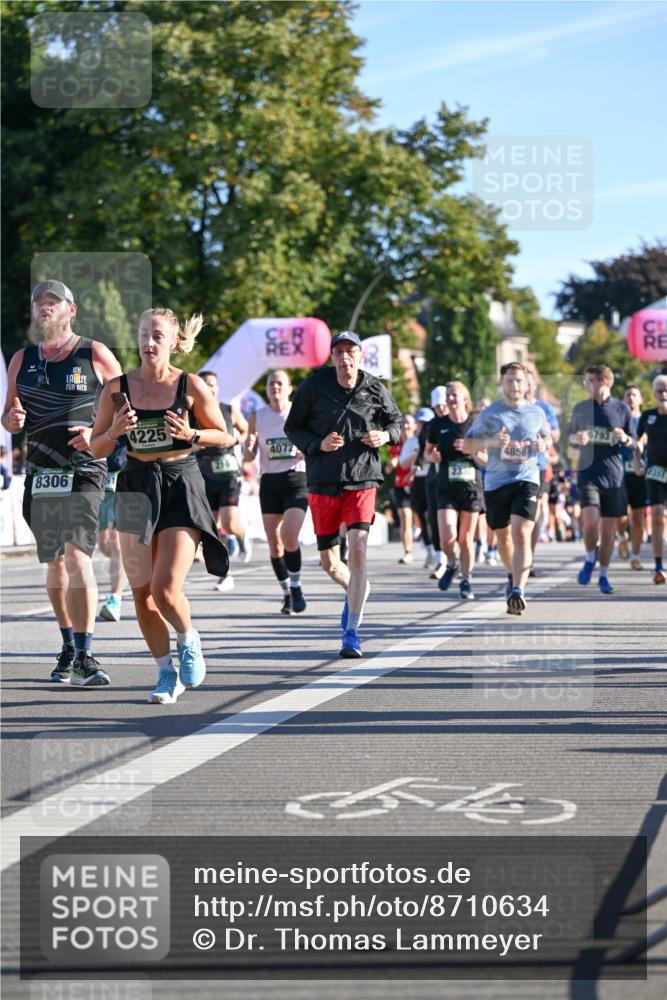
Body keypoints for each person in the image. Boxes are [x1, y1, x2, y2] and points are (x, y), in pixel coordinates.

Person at [89, 307, 233, 704]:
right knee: (141, 594)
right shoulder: (117, 388)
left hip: (179, 484)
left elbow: (224, 435)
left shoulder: (190, 385)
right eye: (143, 335)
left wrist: (192, 434)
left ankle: (188, 639)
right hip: (136, 486)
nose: (148, 343)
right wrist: (114, 432)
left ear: (172, 341)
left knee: (165, 589)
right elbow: (95, 447)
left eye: (157, 336)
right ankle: (166, 673)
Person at [1, 280, 121, 684]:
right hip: (40, 473)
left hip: (85, 468)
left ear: (71, 310)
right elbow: (9, 416)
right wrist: (11, 420)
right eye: (39, 303)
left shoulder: (94, 353)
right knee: (54, 562)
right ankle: (68, 645)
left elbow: (129, 407)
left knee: (76, 554)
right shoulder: (22, 359)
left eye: (53, 302)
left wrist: (98, 432)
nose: (45, 308)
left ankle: (87, 654)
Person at [284, 330, 401, 657]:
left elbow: (396, 423)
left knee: (358, 549)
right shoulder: (313, 386)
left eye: (351, 352)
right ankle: (357, 587)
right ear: (332, 356)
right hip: (324, 478)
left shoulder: (374, 387)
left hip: (363, 478)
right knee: (329, 562)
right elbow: (293, 427)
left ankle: (351, 631)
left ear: (360, 356)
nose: (345, 358)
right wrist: (317, 444)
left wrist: (384, 436)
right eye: (339, 352)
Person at [463, 362, 551, 615]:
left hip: (527, 479)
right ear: (502, 383)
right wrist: (491, 442)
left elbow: (547, 437)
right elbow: (467, 445)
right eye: (510, 380)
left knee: (522, 534)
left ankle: (518, 590)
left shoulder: (536, 412)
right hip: (497, 482)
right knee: (502, 536)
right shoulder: (490, 413)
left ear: (526, 384)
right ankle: (513, 574)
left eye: (519, 380)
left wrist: (543, 444)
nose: (515, 385)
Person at [243, 369, 309, 614]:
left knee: (289, 534)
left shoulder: (299, 413)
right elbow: (248, 458)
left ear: (289, 388)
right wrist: (249, 448)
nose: (275, 387)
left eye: (280, 383)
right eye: (271, 383)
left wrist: (306, 449)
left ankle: (297, 587)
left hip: (296, 479)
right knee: (274, 543)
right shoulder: (257, 416)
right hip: (270, 482)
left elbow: (314, 444)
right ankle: (286, 592)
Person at [567, 364, 634, 594]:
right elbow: (569, 438)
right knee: (590, 522)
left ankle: (604, 575)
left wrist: (624, 437)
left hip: (613, 477)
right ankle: (589, 558)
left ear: (603, 382)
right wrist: (577, 438)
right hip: (588, 474)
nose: (586, 385)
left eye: (589, 381)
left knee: (607, 532)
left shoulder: (622, 409)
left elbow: (634, 442)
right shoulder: (581, 408)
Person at [426, 381, 485, 600]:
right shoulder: (438, 424)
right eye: (448, 396)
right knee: (447, 539)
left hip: (471, 488)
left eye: (455, 395)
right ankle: (451, 563)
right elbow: (427, 453)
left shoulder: (476, 424)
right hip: (446, 488)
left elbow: (487, 460)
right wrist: (432, 457)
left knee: (466, 540)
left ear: (464, 398)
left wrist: (472, 451)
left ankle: (466, 580)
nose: (450, 399)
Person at [196, 370, 250, 593]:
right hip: (204, 474)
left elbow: (245, 430)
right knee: (210, 529)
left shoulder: (228, 410)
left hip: (228, 473)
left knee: (229, 523)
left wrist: (235, 440)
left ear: (217, 388)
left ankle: (241, 536)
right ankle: (225, 575)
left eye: (212, 384)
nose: (209, 388)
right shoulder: (193, 412)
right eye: (204, 384)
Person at [525, 372, 560, 575]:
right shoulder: (508, 408)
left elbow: (556, 433)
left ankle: (528, 557)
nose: (526, 387)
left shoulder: (544, 408)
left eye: (529, 383)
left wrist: (545, 433)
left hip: (537, 466)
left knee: (533, 513)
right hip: (511, 466)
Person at [635, 373, 667, 585]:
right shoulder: (647, 416)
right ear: (654, 393)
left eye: (666, 390)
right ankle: (658, 566)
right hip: (655, 471)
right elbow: (638, 440)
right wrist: (637, 460)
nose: (663, 394)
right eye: (659, 391)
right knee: (656, 516)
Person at [616, 385, 648, 569]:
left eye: (634, 395)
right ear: (622, 400)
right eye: (627, 395)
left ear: (641, 400)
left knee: (638, 516)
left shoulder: (646, 420)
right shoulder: (617, 421)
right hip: (619, 473)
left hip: (640, 473)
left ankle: (635, 556)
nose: (631, 398)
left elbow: (646, 441)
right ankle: (621, 537)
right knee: (620, 514)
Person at [97, 438, 128, 622]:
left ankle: (115, 598)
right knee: (104, 545)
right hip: (101, 482)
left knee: (117, 542)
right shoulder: (97, 420)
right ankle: (125, 566)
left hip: (124, 478)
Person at [386, 413, 418, 564]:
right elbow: (392, 461)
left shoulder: (418, 442)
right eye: (403, 423)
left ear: (415, 426)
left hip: (417, 484)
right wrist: (390, 465)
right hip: (400, 485)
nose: (405, 426)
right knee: (405, 517)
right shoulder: (396, 444)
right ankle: (408, 552)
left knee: (419, 517)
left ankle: (430, 545)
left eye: (408, 423)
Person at [407, 407, 436, 567]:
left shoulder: (438, 432)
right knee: (421, 515)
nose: (424, 425)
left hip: (435, 478)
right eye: (421, 422)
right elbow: (416, 458)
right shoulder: (416, 439)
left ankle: (441, 552)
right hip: (418, 480)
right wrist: (415, 467)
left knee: (434, 515)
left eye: (427, 422)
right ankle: (430, 550)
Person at [426, 386, 448, 578]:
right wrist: (431, 457)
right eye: (437, 406)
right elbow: (425, 453)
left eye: (443, 405)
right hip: (435, 477)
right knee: (434, 518)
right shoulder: (431, 425)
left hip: (460, 478)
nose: (440, 409)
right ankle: (442, 560)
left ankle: (456, 558)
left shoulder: (462, 421)